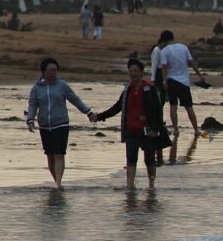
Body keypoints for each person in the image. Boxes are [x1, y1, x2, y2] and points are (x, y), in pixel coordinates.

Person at [93, 56, 171, 190]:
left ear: (141, 72)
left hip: (147, 131)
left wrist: (156, 129)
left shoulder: (149, 89)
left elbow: (158, 110)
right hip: (131, 131)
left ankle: (151, 185)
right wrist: (99, 117)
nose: (133, 73)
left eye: (136, 71)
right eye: (131, 71)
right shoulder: (127, 90)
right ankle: (130, 186)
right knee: (131, 159)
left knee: (150, 160)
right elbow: (117, 107)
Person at [24, 57, 95, 191]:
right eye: (50, 70)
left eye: (55, 70)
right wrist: (30, 120)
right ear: (43, 72)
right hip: (45, 125)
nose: (53, 73)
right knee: (50, 155)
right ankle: (56, 181)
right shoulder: (36, 88)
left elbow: (75, 99)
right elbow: (32, 105)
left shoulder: (62, 85)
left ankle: (58, 183)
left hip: (61, 124)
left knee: (59, 154)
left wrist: (88, 112)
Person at [155, 29, 204, 137]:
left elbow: (164, 68)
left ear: (163, 40)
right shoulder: (183, 47)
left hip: (171, 80)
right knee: (189, 107)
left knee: (173, 106)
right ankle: (196, 130)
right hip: (184, 82)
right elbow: (191, 63)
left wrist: (164, 81)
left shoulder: (164, 51)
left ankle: (176, 130)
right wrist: (199, 75)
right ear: (173, 38)